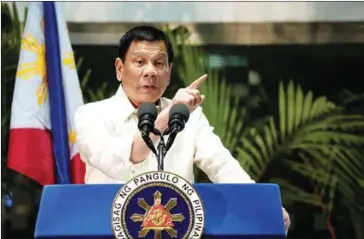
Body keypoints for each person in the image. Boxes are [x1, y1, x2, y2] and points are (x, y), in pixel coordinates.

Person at [74, 25, 290, 232]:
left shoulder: (188, 117)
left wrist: (263, 204)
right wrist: (166, 117)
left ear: (169, 71)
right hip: (107, 231)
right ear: (120, 69)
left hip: (177, 230)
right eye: (140, 62)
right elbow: (126, 158)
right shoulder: (91, 115)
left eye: (159, 63)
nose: (150, 71)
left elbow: (222, 166)